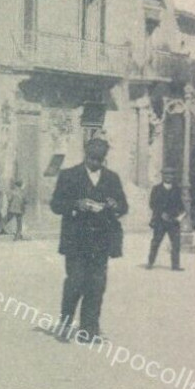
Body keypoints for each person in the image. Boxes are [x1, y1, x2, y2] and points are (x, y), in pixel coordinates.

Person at [48, 137, 127, 343]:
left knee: (96, 285)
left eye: (99, 160)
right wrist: (76, 204)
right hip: (76, 240)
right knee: (75, 283)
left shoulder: (112, 178)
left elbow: (123, 206)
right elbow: (56, 205)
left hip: (101, 241)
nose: (95, 163)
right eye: (92, 159)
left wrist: (114, 204)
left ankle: (89, 330)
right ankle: (65, 326)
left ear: (104, 158)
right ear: (85, 155)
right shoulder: (68, 175)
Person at [146, 177, 185, 270]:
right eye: (167, 174)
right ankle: (150, 262)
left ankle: (175, 266)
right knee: (155, 242)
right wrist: (161, 213)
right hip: (160, 221)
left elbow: (180, 204)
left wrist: (180, 216)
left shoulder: (177, 189)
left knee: (176, 243)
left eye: (171, 175)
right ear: (163, 176)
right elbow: (152, 204)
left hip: (173, 221)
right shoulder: (156, 189)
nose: (169, 177)